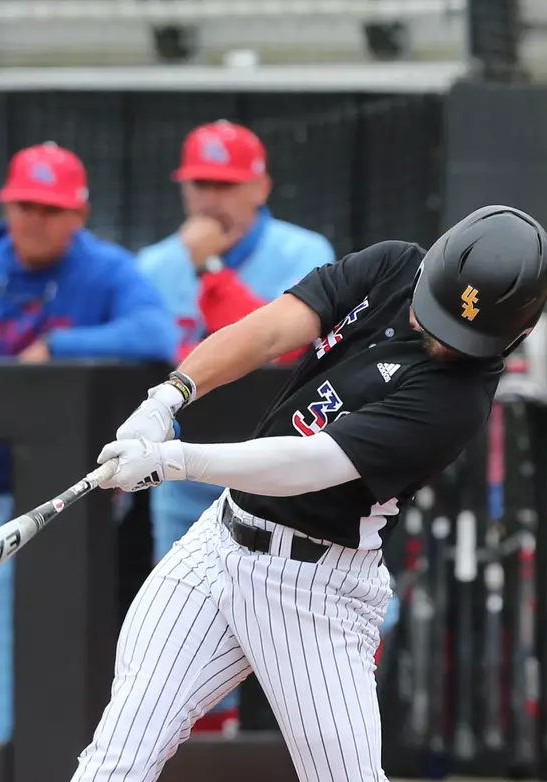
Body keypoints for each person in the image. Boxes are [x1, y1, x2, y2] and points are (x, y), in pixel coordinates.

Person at [0, 206, 547, 782]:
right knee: (129, 734)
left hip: (314, 586)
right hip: (219, 546)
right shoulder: (394, 264)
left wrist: (174, 461)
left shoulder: (454, 402)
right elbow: (267, 330)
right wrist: (172, 391)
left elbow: (308, 464)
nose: (436, 340)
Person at [0, 142, 175, 743]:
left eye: (49, 209)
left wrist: (62, 345)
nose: (33, 219)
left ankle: (73, 774)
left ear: (77, 214)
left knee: (68, 634)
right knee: (3, 635)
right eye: (24, 206)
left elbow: (155, 334)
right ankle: (13, 762)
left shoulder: (107, 269)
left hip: (79, 494)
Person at [136, 122, 337, 731]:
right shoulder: (154, 264)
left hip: (281, 468)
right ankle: (202, 766)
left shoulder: (306, 254)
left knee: (314, 626)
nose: (210, 199)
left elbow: (282, 349)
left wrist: (212, 268)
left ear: (261, 187)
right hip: (180, 471)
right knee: (183, 630)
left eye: (226, 183)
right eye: (200, 183)